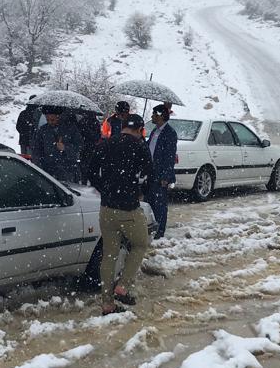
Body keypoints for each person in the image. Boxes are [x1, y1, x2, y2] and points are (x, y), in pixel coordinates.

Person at [88, 114, 153, 315]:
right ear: (140, 129)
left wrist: (104, 189)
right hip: (128, 208)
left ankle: (107, 303)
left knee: (109, 254)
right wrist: (139, 191)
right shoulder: (140, 147)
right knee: (140, 244)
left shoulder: (105, 143)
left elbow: (90, 171)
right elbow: (149, 175)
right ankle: (123, 286)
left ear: (122, 126)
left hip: (106, 208)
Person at [146, 104, 178, 239]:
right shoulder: (155, 131)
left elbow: (170, 156)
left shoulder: (169, 133)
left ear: (160, 116)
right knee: (150, 202)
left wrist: (166, 176)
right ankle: (151, 228)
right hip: (151, 172)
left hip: (160, 174)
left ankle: (159, 232)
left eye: (154, 114)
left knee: (160, 204)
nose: (152, 116)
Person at [31, 106, 83, 183]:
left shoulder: (71, 128)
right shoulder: (43, 130)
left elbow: (79, 146)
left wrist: (65, 148)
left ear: (59, 117)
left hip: (67, 169)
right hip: (48, 169)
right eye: (47, 119)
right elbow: (37, 149)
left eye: (52, 120)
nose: (49, 122)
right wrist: (38, 164)